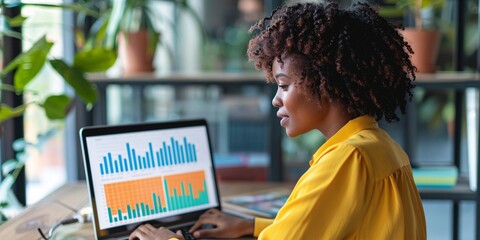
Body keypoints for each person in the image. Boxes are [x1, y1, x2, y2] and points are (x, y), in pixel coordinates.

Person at [129, 1, 427, 239]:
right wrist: (252, 227)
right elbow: (319, 226)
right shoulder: (380, 146)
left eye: (284, 85)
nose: (276, 98)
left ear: (323, 84)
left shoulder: (349, 159)